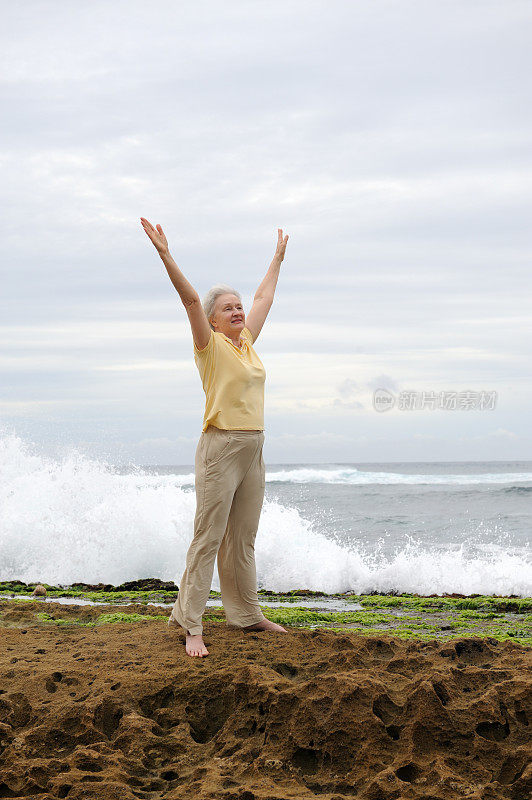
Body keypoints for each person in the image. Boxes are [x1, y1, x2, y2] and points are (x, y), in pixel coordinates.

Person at [140, 218, 290, 657]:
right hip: (220, 447)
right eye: (228, 308)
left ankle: (246, 614)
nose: (238, 311)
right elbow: (189, 299)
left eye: (238, 306)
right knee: (208, 534)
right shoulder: (211, 346)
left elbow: (264, 297)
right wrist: (166, 254)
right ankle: (190, 624)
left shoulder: (246, 343)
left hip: (254, 447)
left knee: (242, 535)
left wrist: (276, 259)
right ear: (212, 319)